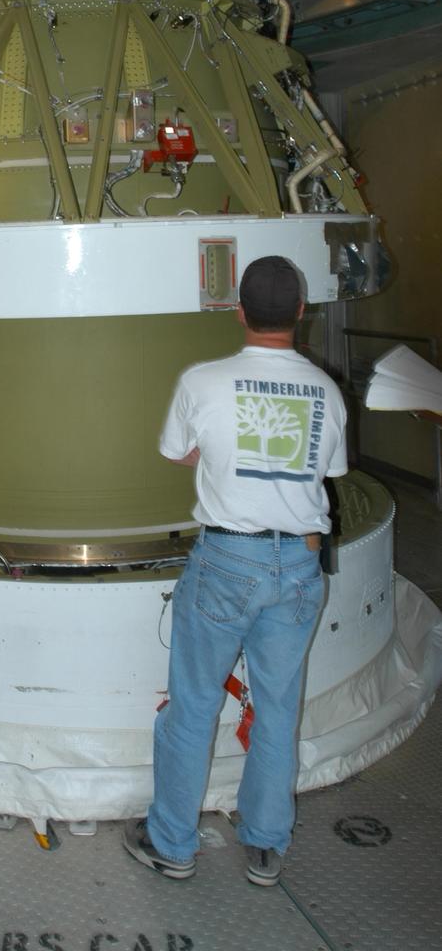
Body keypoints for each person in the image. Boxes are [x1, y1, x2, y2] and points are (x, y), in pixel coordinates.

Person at [123, 255, 347, 887]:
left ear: (239, 312)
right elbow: (327, 470)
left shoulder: (203, 381)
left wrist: (219, 454)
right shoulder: (326, 391)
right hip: (299, 565)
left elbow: (176, 451)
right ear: (300, 312)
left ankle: (172, 843)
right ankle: (266, 845)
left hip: (226, 562)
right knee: (278, 708)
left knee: (194, 707)